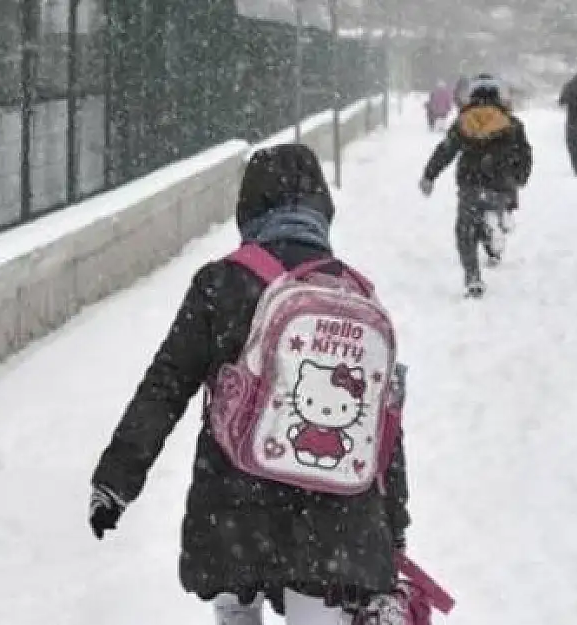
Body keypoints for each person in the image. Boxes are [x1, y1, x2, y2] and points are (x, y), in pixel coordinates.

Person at [88, 144, 412, 624]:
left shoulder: (220, 284)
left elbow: (166, 385)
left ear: (249, 209)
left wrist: (115, 481)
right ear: (322, 209)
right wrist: (393, 525)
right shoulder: (354, 295)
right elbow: (382, 428)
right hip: (335, 524)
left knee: (238, 610)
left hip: (235, 511)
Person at [419, 74, 533, 298]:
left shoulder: (463, 122)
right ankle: (497, 228)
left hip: (471, 183)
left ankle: (473, 277)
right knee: (492, 214)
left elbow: (446, 150)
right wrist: (519, 178)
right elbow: (525, 155)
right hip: (501, 185)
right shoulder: (511, 123)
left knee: (465, 230)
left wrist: (429, 175)